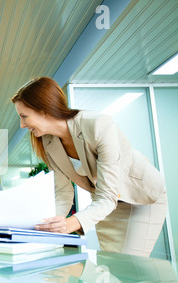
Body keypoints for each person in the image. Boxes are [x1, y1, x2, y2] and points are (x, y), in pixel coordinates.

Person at [11, 77, 168, 257]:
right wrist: (44, 225)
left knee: (130, 265)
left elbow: (108, 195)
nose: (22, 125)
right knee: (110, 268)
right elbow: (63, 194)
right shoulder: (48, 142)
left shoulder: (97, 124)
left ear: (44, 110)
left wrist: (70, 224)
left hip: (140, 197)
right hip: (105, 205)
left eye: (24, 116)